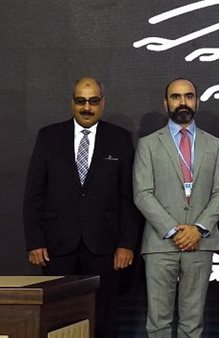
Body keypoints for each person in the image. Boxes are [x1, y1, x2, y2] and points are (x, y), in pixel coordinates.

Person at [23, 77, 138, 338]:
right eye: (81, 101)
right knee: (56, 319)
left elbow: (128, 197)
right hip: (56, 247)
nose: (87, 107)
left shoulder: (119, 139)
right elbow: (34, 193)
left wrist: (126, 244)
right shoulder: (49, 136)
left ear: (102, 103)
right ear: (72, 102)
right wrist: (35, 241)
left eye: (93, 101)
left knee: (104, 319)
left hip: (105, 248)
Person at [133, 78, 219, 337]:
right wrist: (174, 230)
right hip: (160, 243)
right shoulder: (148, 144)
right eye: (176, 97)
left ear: (197, 101)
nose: (182, 102)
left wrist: (198, 229)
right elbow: (142, 194)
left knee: (193, 322)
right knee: (158, 323)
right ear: (166, 103)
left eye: (188, 96)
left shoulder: (215, 144)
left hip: (200, 242)